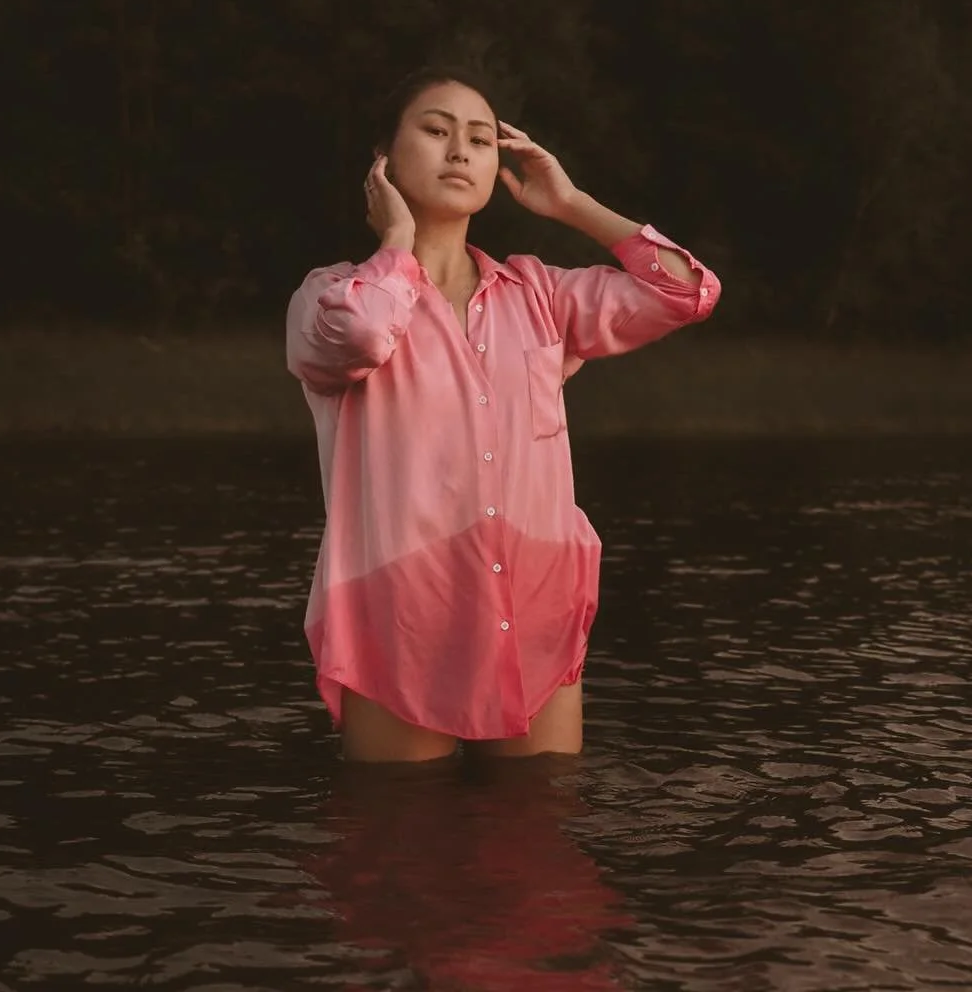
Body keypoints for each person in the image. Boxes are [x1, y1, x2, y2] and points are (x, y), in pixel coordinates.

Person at [285, 67, 720, 762]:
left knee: (541, 840)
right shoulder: (330, 297)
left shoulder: (541, 294)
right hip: (401, 619)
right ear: (384, 161)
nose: (460, 150)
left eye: (481, 139)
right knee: (399, 843)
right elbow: (364, 337)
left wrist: (572, 203)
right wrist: (397, 240)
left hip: (536, 610)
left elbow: (686, 292)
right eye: (435, 131)